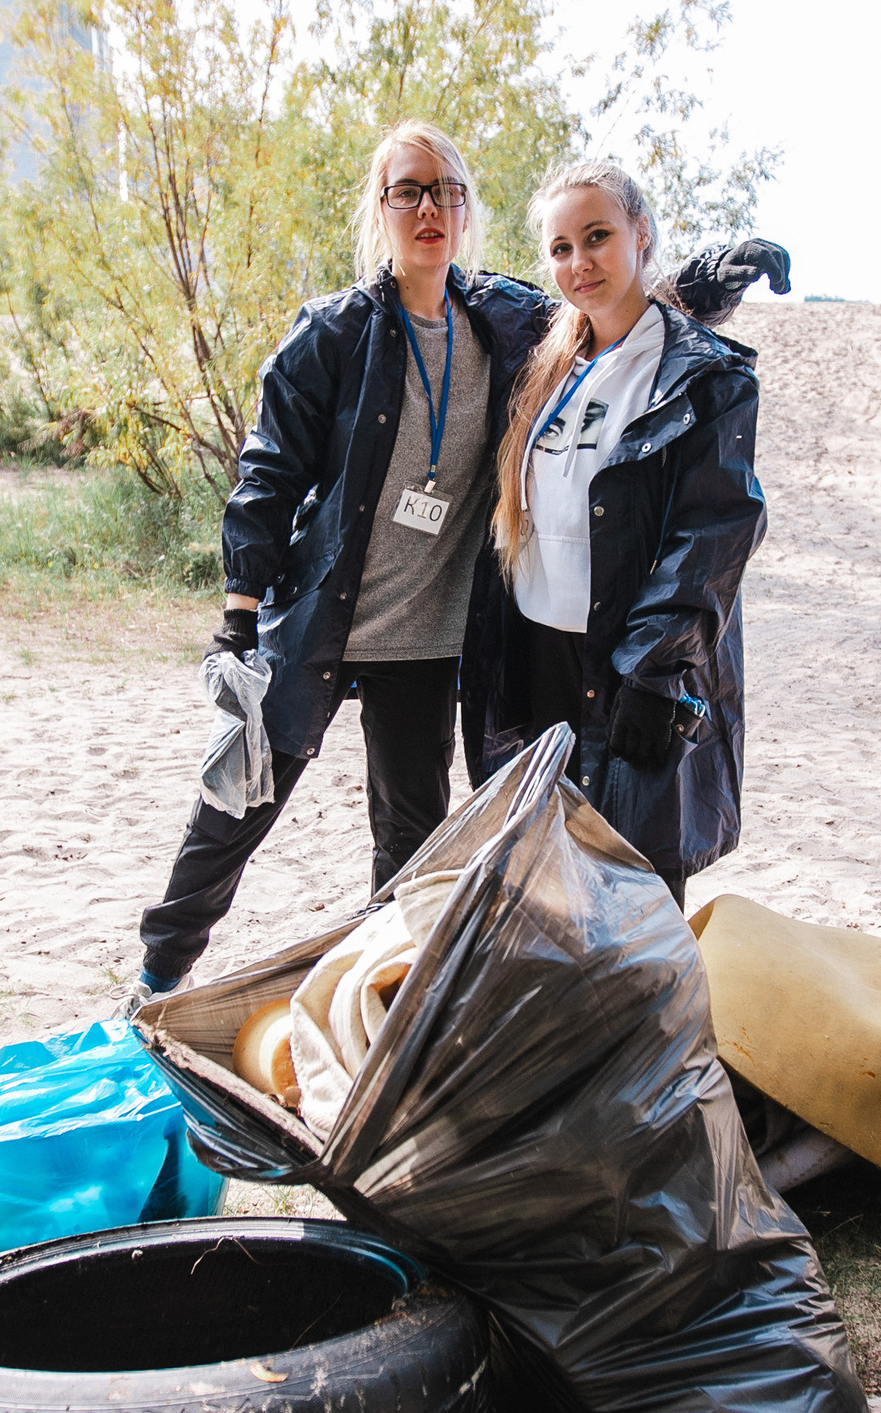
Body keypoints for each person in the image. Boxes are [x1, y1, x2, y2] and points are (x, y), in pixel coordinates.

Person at [127, 123, 787, 1001]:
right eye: (408, 190)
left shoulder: (506, 319)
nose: (429, 207)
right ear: (381, 208)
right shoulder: (333, 333)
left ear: (466, 209)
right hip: (326, 620)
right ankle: (158, 971)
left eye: (446, 190)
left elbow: (609, 303)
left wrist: (702, 281)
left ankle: (377, 996)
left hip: (428, 638)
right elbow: (268, 477)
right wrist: (238, 627)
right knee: (240, 803)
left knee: (410, 835)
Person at [460, 160, 767, 908]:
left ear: (641, 233)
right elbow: (451, 285)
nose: (579, 263)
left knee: (633, 894)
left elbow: (714, 532)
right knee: (542, 884)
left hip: (631, 667)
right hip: (535, 661)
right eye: (561, 247)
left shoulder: (703, 376)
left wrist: (658, 670)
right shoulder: (548, 356)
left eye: (597, 237)